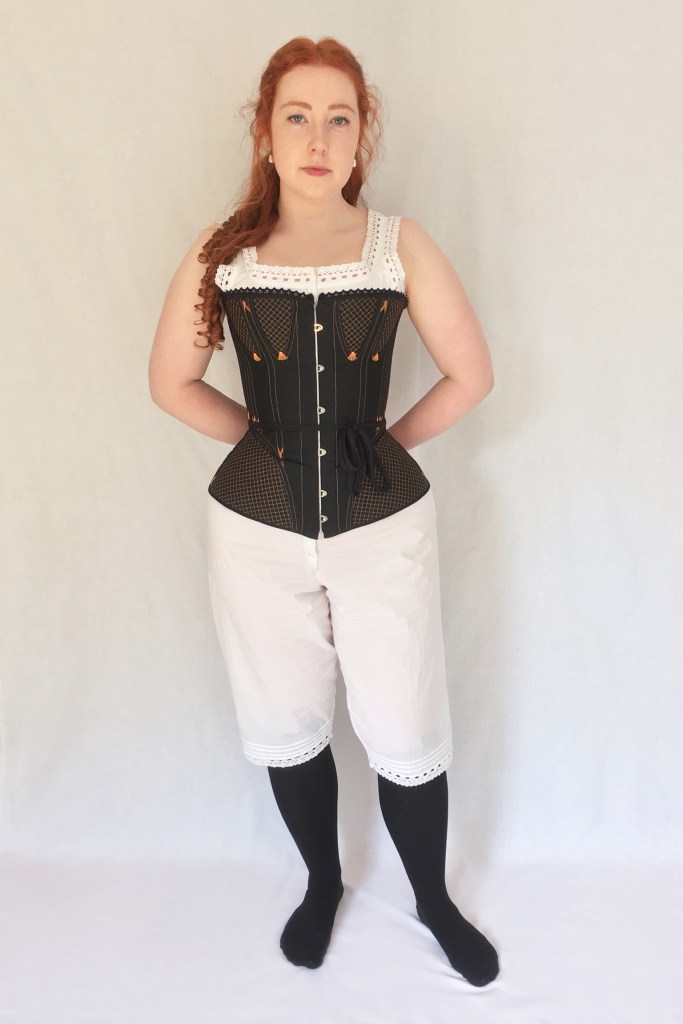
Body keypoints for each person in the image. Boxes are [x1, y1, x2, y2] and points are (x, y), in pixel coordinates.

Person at [148, 36, 499, 987]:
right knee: (284, 711)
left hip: (383, 529)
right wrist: (262, 443)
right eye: (296, 116)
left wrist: (379, 447)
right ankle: (321, 882)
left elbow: (471, 374)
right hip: (254, 534)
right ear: (265, 133)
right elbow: (171, 382)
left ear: (360, 135)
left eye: (339, 118)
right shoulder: (223, 252)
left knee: (405, 719)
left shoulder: (397, 245)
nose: (317, 137)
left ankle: (431, 901)